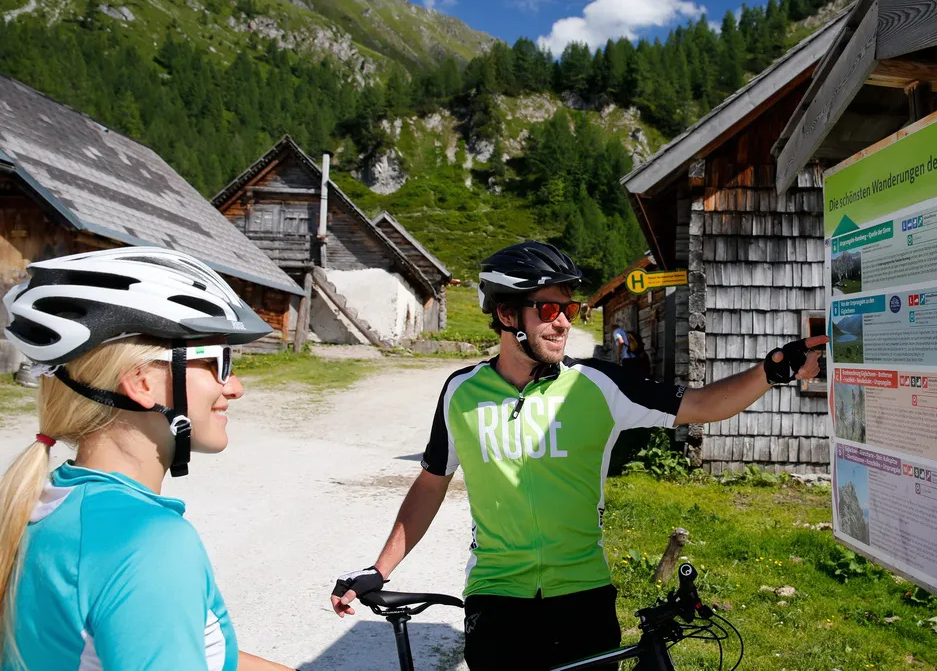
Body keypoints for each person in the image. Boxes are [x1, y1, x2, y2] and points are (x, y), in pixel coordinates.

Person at [331, 240, 826, 670]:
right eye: (548, 309)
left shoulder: (598, 386)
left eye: (570, 309)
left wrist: (771, 373)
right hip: (496, 598)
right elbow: (431, 482)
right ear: (507, 315)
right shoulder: (461, 393)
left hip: (583, 596)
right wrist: (381, 568)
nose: (564, 322)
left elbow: (700, 405)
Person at [0, 247, 293, 671]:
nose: (236, 387)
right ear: (141, 383)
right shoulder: (147, 543)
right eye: (218, 362)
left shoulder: (48, 502)